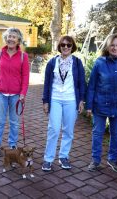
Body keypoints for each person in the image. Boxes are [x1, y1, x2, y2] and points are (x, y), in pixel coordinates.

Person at [86, 34, 117, 173]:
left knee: (116, 134)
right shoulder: (99, 63)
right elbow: (92, 86)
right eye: (112, 45)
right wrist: (89, 106)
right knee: (97, 134)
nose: (115, 48)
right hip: (100, 105)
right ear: (108, 47)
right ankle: (95, 161)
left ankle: (112, 159)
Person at [41, 36, 86, 171]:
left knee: (68, 130)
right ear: (59, 46)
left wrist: (81, 100)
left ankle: (63, 156)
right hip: (55, 98)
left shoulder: (77, 63)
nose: (66, 47)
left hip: (71, 100)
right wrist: (45, 101)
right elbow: (47, 83)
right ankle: (48, 159)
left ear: (72, 47)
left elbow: (82, 83)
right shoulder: (52, 62)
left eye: (69, 45)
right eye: (63, 45)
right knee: (53, 129)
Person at [0, 27, 30, 157]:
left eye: (14, 37)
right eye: (9, 36)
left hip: (16, 95)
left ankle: (12, 143)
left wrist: (23, 93)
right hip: (0, 93)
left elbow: (25, 77)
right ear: (6, 38)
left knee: (14, 122)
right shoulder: (0, 53)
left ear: (18, 40)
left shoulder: (23, 56)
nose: (11, 39)